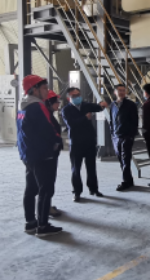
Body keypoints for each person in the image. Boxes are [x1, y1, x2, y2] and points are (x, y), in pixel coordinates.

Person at [17, 75, 63, 237]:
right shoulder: (38, 106)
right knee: (46, 190)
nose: (46, 91)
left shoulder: (23, 106)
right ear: (34, 90)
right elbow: (48, 130)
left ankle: (31, 223)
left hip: (28, 154)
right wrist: (57, 142)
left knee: (31, 189)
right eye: (44, 88)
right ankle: (43, 226)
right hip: (43, 154)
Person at [60, 87, 108, 202]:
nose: (77, 97)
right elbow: (71, 124)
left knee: (91, 167)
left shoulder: (86, 105)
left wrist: (102, 105)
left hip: (89, 141)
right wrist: (85, 118)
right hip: (76, 143)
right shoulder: (66, 110)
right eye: (74, 96)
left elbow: (97, 108)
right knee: (76, 169)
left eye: (78, 95)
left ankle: (94, 189)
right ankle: (77, 192)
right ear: (69, 98)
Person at [110, 83, 138, 191]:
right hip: (116, 136)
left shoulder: (130, 105)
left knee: (126, 158)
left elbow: (135, 121)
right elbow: (112, 121)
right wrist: (112, 134)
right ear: (115, 92)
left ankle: (125, 181)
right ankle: (129, 180)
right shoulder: (113, 105)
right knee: (120, 159)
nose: (122, 92)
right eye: (119, 90)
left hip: (127, 136)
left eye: (123, 90)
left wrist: (131, 135)